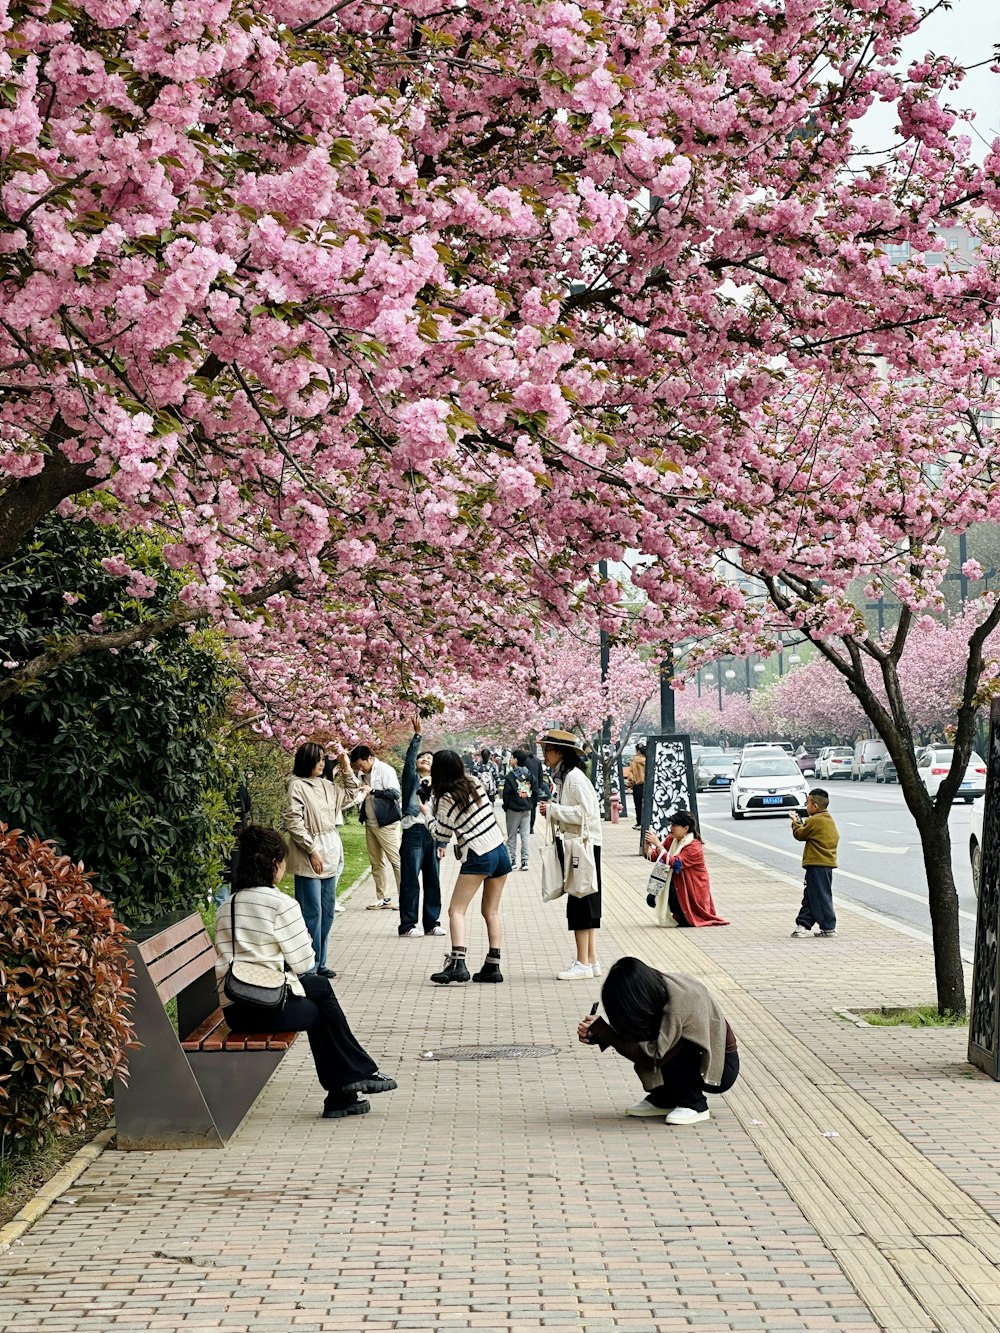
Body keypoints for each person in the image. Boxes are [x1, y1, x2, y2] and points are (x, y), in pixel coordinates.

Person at [216, 825, 397, 1120]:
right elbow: (303, 964)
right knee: (318, 1005)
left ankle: (346, 1090)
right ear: (275, 864)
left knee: (320, 989)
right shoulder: (281, 904)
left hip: (235, 1008)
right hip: (265, 1004)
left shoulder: (228, 906)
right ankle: (349, 1083)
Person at [577, 956, 739, 1125]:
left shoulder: (680, 1003)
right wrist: (598, 1035)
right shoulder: (653, 988)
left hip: (719, 1067)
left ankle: (694, 1104)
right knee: (653, 1035)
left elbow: (653, 1057)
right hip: (694, 1057)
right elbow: (636, 1032)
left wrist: (607, 1033)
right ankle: (665, 1098)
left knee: (667, 1045)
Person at [428, 749, 511, 985]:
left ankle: (457, 964)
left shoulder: (446, 799)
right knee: (491, 912)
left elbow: (440, 832)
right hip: (499, 850)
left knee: (456, 910)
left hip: (479, 852)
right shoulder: (474, 782)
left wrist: (426, 812)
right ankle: (493, 966)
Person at [283, 742, 359, 977]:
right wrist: (311, 850)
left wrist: (346, 767)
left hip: (331, 850)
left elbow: (351, 794)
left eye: (324, 759)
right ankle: (308, 965)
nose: (322, 763)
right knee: (311, 912)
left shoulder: (327, 786)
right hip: (310, 854)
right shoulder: (296, 786)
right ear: (306, 760)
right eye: (317, 759)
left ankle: (320, 961)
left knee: (327, 911)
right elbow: (293, 821)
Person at [538, 729, 603, 981]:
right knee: (585, 900)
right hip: (582, 845)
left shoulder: (574, 778)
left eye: (548, 750)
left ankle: (582, 962)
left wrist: (554, 810)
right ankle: (591, 960)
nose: (545, 755)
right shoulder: (567, 777)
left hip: (583, 846)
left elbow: (585, 814)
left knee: (580, 902)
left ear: (561, 753)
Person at [398, 717, 444, 938]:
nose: (425, 759)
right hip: (414, 833)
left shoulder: (440, 786)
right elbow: (408, 763)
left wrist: (443, 841)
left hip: (434, 834)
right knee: (410, 880)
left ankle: (432, 923)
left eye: (429, 758)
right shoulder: (411, 781)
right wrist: (417, 737)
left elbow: (445, 815)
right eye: (422, 757)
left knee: (433, 881)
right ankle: (408, 925)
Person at [643, 811, 729, 928]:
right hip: (678, 886)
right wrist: (647, 845)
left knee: (670, 896)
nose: (671, 828)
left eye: (675, 825)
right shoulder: (671, 840)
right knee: (652, 898)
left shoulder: (694, 846)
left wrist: (658, 845)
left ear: (686, 828)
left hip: (692, 890)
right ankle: (681, 915)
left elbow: (676, 864)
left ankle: (685, 915)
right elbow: (655, 856)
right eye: (671, 825)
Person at [349, 743, 402, 910]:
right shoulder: (361, 772)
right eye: (357, 767)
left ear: (370, 758)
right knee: (376, 862)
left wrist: (372, 791)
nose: (360, 769)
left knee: (396, 862)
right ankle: (383, 897)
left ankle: (405, 897)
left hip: (387, 823)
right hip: (370, 823)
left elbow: (395, 794)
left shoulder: (386, 770)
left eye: (361, 765)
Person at [789, 788, 840, 937]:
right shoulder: (828, 819)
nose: (806, 806)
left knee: (819, 895)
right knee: (813, 894)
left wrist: (795, 822)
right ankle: (803, 923)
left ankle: (828, 926)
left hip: (817, 864)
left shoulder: (814, 820)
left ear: (815, 806)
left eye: (807, 803)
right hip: (826, 864)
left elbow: (800, 834)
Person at [502, 750, 535, 872]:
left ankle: (512, 861)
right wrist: (531, 804)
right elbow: (535, 790)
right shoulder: (529, 774)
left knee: (512, 836)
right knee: (525, 835)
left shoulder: (511, 776)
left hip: (513, 809)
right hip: (527, 808)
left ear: (516, 760)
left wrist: (506, 806)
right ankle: (525, 861)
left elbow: (506, 793)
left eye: (512, 758)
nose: (510, 760)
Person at [521, 746, 544, 831]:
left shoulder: (524, 761)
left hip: (525, 786)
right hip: (535, 786)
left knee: (524, 806)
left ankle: (525, 826)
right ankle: (531, 827)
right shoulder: (537, 760)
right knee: (533, 807)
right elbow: (540, 775)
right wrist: (539, 785)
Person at [626, 742, 646, 830]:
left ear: (637, 751)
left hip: (638, 786)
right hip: (647, 786)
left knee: (638, 805)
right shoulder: (648, 759)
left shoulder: (634, 761)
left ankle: (639, 823)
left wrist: (630, 785)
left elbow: (631, 775)